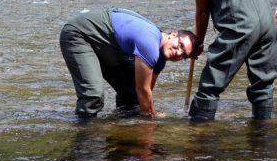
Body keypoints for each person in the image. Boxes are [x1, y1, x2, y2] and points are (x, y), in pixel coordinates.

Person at [60, 7, 196, 119]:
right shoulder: (149, 43)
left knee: (132, 96)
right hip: (80, 34)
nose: (178, 53)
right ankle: (85, 135)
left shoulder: (160, 60)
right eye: (180, 45)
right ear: (173, 34)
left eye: (184, 55)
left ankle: (123, 125)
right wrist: (151, 118)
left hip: (108, 45)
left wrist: (146, 109)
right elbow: (143, 90)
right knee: (93, 94)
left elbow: (145, 92)